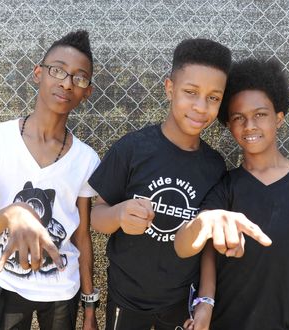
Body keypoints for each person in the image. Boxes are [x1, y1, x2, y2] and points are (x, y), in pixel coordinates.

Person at [88, 38, 271, 330]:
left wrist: (206, 301)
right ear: (170, 88)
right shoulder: (132, 149)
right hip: (128, 296)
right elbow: (97, 215)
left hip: (180, 303)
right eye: (190, 92)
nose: (201, 107)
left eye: (213, 97)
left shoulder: (214, 166)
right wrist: (120, 215)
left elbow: (208, 243)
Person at [175, 58, 289, 330]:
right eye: (238, 117)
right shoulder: (225, 185)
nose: (250, 125)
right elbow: (194, 246)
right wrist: (206, 301)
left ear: (278, 118)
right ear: (229, 125)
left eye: (260, 114)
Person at [0, 30, 100, 330]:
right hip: (6, 281)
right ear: (38, 73)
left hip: (60, 290)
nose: (67, 82)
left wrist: (90, 305)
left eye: (79, 78)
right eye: (57, 70)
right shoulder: (2, 139)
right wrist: (12, 214)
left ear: (87, 92)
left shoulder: (86, 159)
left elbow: (82, 237)